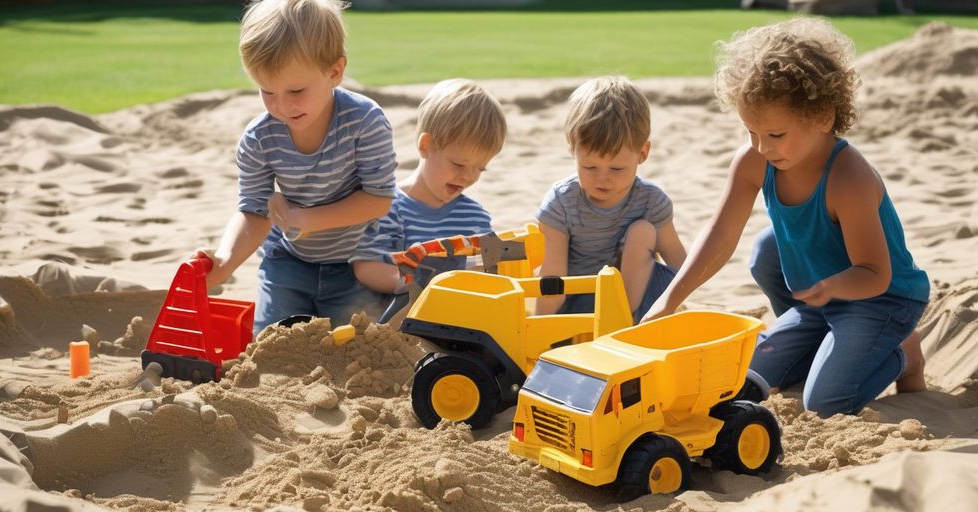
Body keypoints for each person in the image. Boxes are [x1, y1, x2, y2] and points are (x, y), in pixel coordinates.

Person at [642, 18, 930, 415]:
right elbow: (722, 233)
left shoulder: (849, 178)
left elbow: (874, 273)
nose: (761, 147)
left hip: (879, 300)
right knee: (746, 374)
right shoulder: (755, 161)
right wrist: (670, 299)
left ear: (823, 117)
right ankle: (821, 336)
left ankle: (902, 351)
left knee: (826, 402)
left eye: (775, 135)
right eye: (750, 132)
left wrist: (830, 287)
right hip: (817, 297)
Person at [201, 0, 397, 334]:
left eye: (296, 90)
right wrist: (223, 261)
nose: (282, 106)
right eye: (267, 91)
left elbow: (378, 200)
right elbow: (253, 209)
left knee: (354, 346)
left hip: (357, 264)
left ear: (334, 72)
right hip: (288, 262)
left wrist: (306, 219)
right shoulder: (260, 137)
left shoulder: (365, 122)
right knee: (273, 345)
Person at [535, 76, 687, 323]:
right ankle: (617, 322)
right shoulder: (562, 203)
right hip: (583, 304)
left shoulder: (650, 201)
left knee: (643, 231)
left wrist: (682, 303)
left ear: (642, 153)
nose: (602, 179)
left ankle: (626, 320)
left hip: (642, 305)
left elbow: (678, 260)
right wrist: (540, 332)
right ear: (573, 150)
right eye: (590, 167)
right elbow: (553, 278)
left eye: (616, 169)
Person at [349, 79, 506, 300]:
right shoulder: (387, 206)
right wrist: (417, 285)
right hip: (399, 319)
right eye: (458, 164)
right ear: (426, 146)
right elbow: (367, 268)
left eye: (480, 168)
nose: (469, 176)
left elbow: (487, 271)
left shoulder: (474, 216)